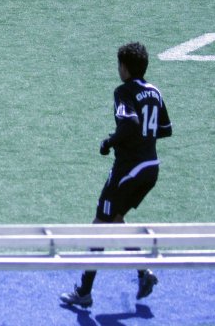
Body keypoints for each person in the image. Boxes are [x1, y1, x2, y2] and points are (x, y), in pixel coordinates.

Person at [60, 42, 173, 308]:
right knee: (116, 219)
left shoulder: (123, 91)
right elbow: (165, 129)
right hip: (150, 168)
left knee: (99, 224)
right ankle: (144, 274)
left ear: (124, 67)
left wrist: (109, 142)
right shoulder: (155, 92)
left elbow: (130, 121)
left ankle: (84, 292)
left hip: (128, 169)